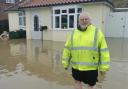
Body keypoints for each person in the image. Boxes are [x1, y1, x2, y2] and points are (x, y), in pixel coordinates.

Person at [62, 12, 110, 89]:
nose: (84, 21)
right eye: (81, 19)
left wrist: (103, 67)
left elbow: (104, 51)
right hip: (76, 67)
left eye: (86, 19)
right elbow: (67, 49)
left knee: (91, 86)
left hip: (91, 68)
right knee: (77, 82)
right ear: (79, 21)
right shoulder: (73, 33)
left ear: (90, 20)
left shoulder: (97, 32)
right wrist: (65, 63)